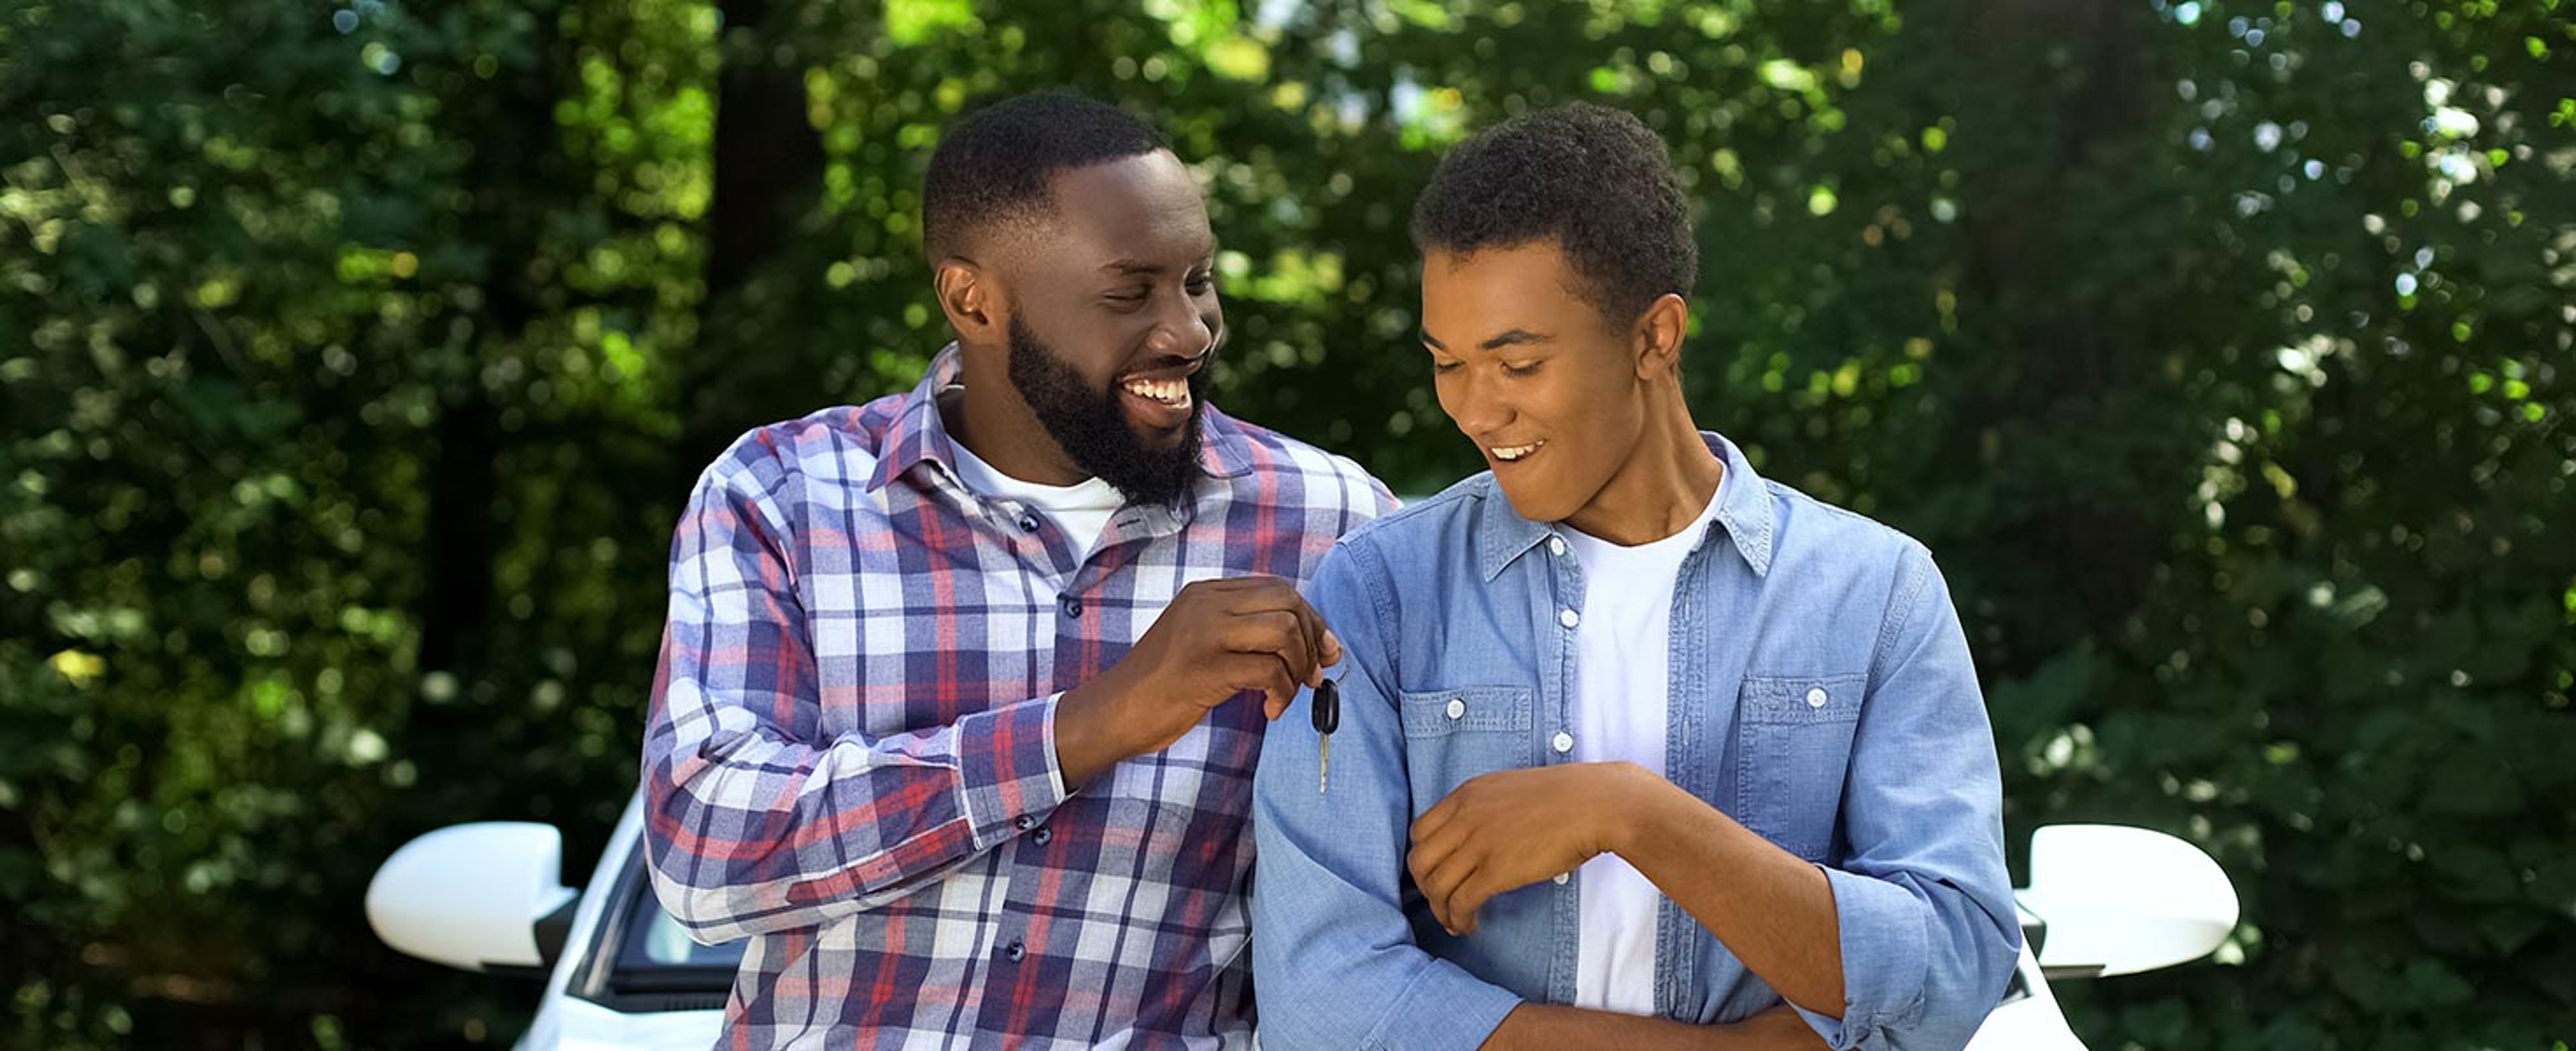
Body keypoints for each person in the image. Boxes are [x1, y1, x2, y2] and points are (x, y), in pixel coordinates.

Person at [1250, 102, 2019, 1051]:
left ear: (1656, 338)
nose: (1475, 409)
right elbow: (1320, 1003)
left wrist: (1631, 814)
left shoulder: (1876, 595)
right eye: (1447, 363)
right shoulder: (1375, 596)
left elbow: (1954, 970)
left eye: (1518, 362)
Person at [642, 91, 1392, 1049]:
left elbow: (1397, 889)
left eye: (1198, 281)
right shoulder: (783, 495)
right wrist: (1090, 725)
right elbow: (706, 852)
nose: (1190, 331)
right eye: (1132, 293)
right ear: (975, 300)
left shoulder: (1334, 525)